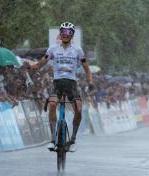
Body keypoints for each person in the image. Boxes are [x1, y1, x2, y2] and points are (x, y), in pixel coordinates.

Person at [31, 22, 94, 152]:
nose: (66, 35)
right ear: (60, 34)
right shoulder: (53, 49)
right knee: (53, 105)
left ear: (72, 35)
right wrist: (32, 67)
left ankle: (73, 140)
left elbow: (87, 69)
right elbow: (42, 62)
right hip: (57, 83)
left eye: (69, 32)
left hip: (71, 84)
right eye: (63, 32)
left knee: (78, 108)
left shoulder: (78, 51)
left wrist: (90, 82)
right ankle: (53, 140)